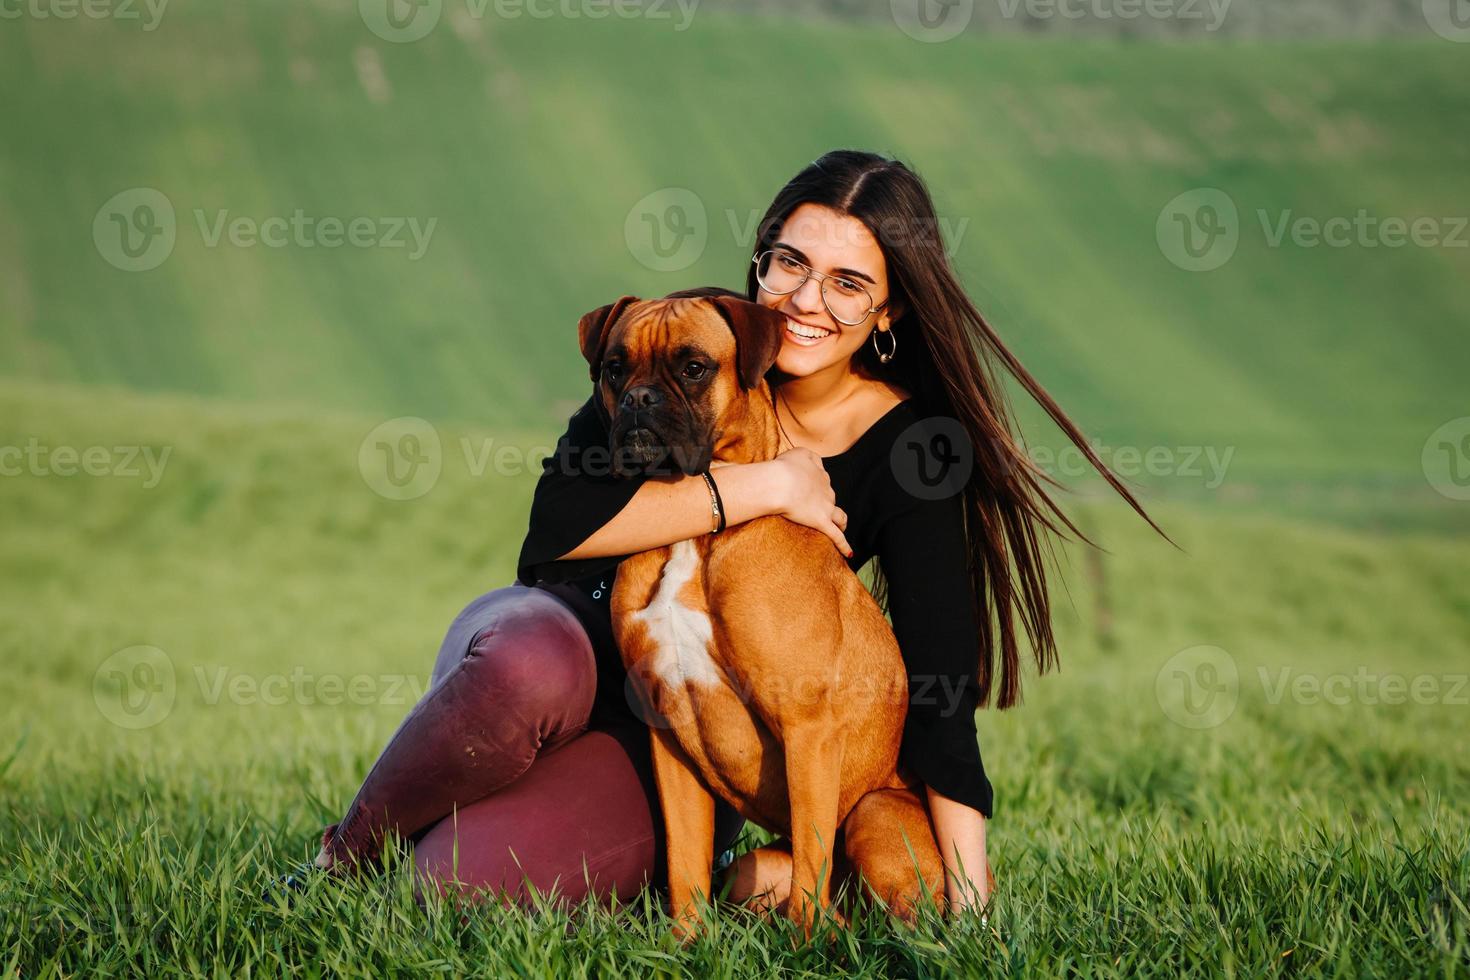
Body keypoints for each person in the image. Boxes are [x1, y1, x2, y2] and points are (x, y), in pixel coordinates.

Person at [294, 149, 1163, 919]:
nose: (804, 301)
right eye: (789, 262)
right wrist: (761, 485)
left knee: (453, 885)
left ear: (889, 314)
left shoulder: (910, 451)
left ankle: (459, 842)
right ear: (759, 262)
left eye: (847, 283)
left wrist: (970, 898)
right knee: (526, 665)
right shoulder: (677, 343)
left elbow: (938, 685)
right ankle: (337, 859)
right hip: (561, 646)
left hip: (676, 735)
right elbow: (555, 529)